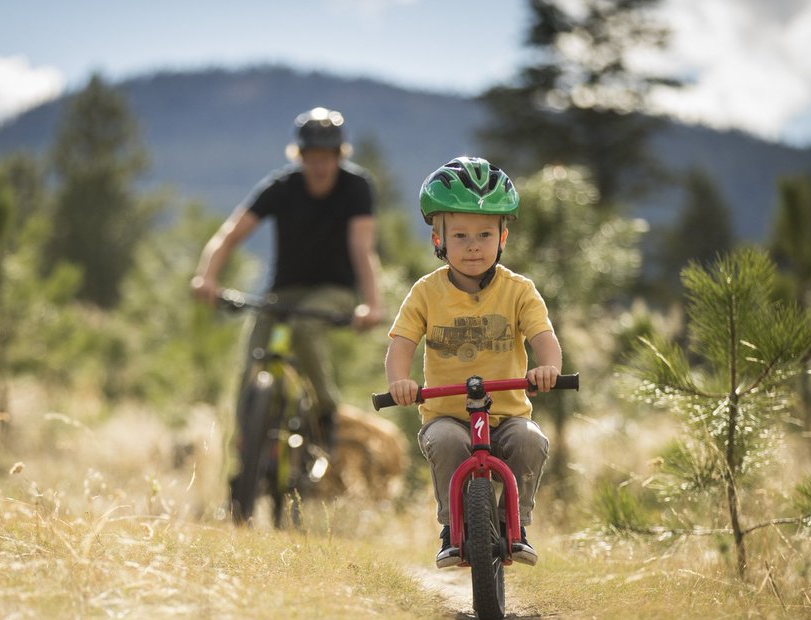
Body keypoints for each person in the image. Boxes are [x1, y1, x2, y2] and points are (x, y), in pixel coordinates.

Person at [384, 156, 562, 568]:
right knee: (447, 443)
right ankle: (451, 528)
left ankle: (515, 525)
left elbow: (543, 338)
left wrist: (546, 367)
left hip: (507, 414)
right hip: (447, 414)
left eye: (485, 233)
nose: (473, 245)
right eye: (460, 235)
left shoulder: (518, 290)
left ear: (503, 238)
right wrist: (400, 381)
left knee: (530, 441)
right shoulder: (426, 293)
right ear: (437, 240)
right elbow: (401, 345)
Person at [190, 107, 384, 448]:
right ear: (300, 155)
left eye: (327, 157)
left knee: (304, 329)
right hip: (283, 292)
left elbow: (362, 249)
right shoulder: (281, 187)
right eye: (312, 156)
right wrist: (206, 277)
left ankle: (326, 412)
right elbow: (229, 235)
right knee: (253, 361)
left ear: (339, 155)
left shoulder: (356, 188)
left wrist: (372, 304)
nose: (320, 165)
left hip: (333, 290)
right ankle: (244, 449)